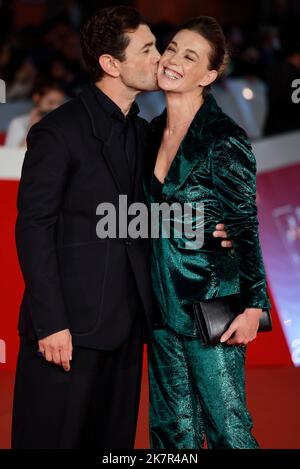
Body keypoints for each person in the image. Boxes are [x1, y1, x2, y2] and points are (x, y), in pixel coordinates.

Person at [12, 6, 230, 449]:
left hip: (128, 329)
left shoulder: (145, 133)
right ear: (112, 64)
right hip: (67, 333)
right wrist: (51, 322)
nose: (160, 59)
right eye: (148, 49)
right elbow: (34, 228)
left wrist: (213, 229)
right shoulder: (59, 131)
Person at [144, 16, 271, 449]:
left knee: (228, 431)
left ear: (209, 75)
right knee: (170, 435)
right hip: (160, 307)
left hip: (211, 308)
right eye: (173, 48)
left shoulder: (224, 138)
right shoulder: (147, 135)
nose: (174, 60)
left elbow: (244, 226)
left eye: (190, 56)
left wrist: (254, 307)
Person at [5, 81, 66, 147]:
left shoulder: (63, 125)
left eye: (60, 104)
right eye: (50, 102)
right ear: (36, 98)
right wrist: (31, 127)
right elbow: (12, 154)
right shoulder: (19, 123)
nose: (55, 108)